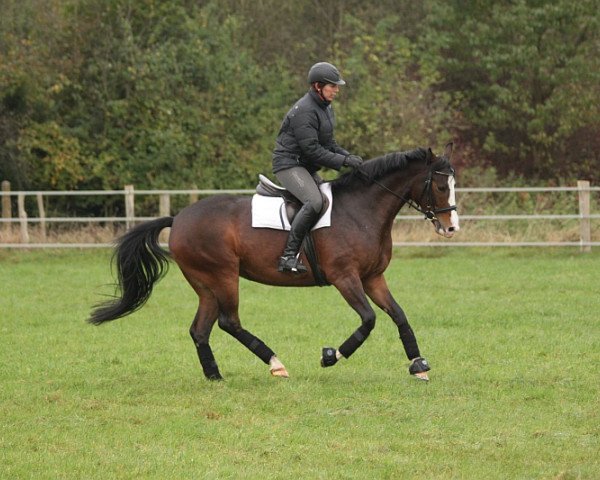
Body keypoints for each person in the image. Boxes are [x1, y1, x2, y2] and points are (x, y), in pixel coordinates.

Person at [272, 61, 363, 274]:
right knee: (314, 202)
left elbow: (329, 145)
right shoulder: (305, 111)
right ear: (317, 86)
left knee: (330, 200)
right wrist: (343, 162)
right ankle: (287, 256)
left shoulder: (325, 108)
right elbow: (313, 150)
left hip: (304, 166)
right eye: (333, 86)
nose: (337, 90)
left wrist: (349, 157)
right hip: (288, 165)